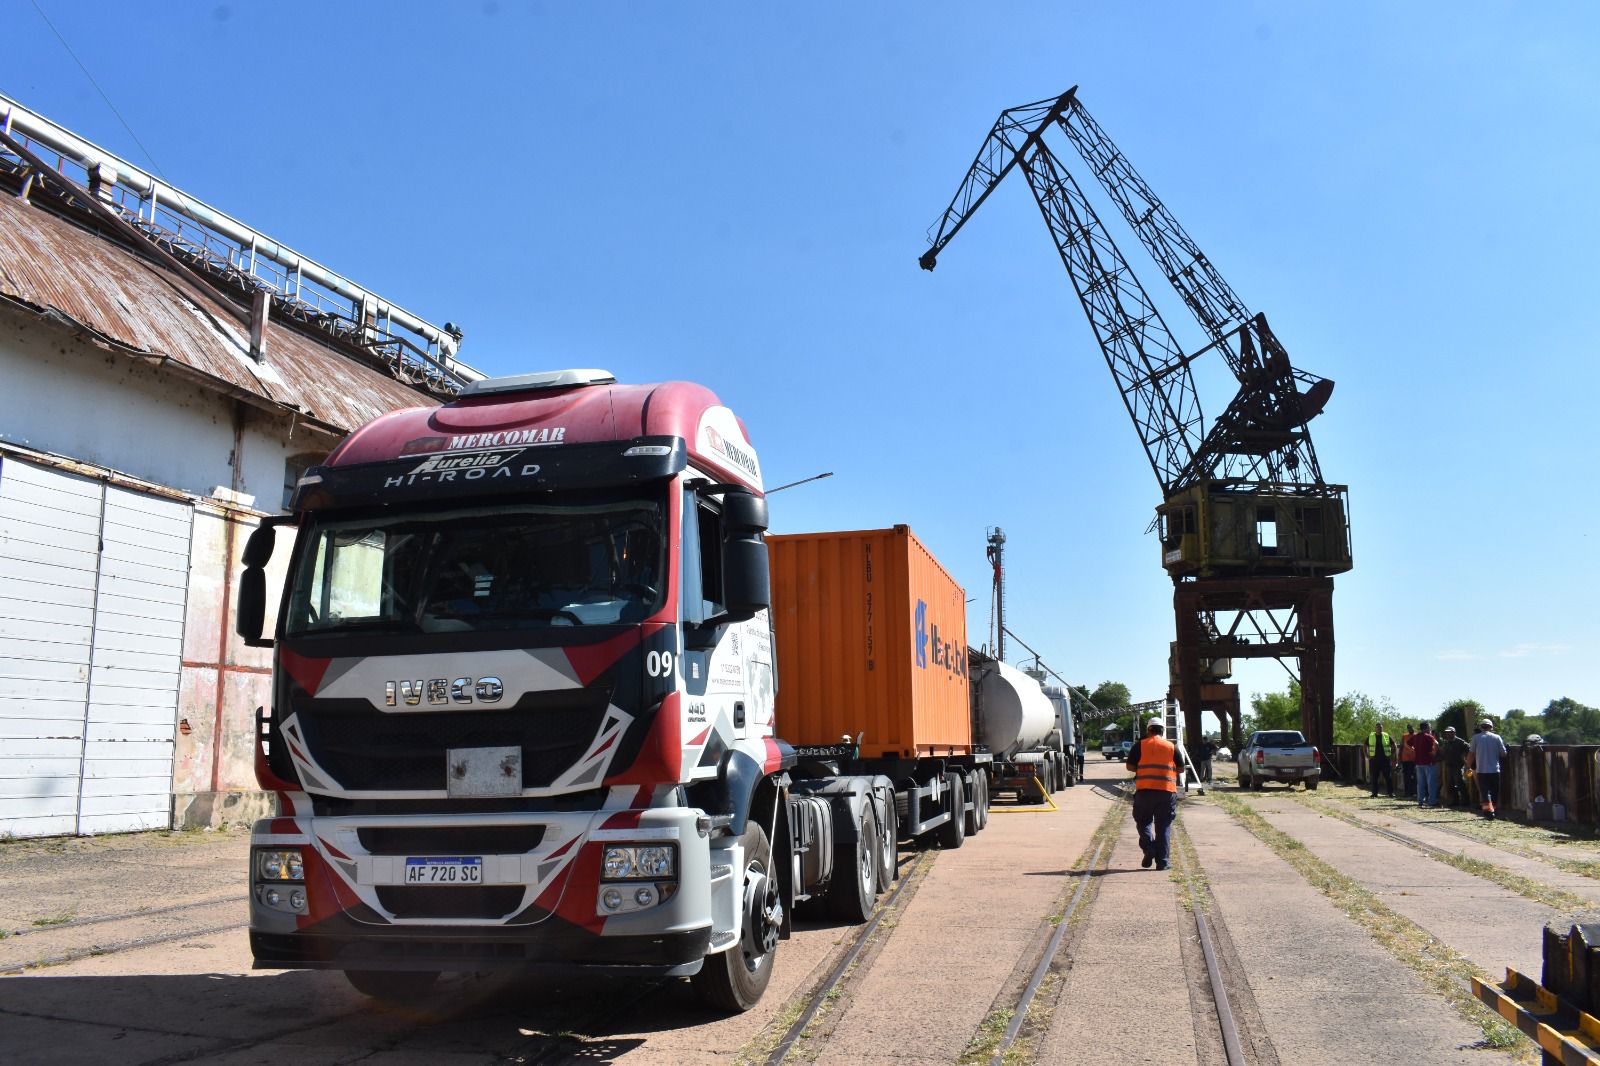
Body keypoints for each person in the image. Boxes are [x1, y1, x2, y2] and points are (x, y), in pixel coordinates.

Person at [1126, 721, 1187, 871]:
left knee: (1143, 822)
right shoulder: (1171, 747)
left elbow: (1130, 766)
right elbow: (1181, 768)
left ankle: (1149, 848)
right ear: (1163, 731)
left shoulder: (1140, 745)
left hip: (1144, 792)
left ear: (1149, 730)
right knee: (1164, 826)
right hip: (1166, 793)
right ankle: (1163, 862)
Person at [1469, 719, 1509, 819]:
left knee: (1484, 792)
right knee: (1494, 791)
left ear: (1481, 727)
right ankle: (1494, 810)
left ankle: (1488, 812)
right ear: (1491, 727)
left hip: (1481, 770)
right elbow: (1503, 754)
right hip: (1494, 770)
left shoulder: (1476, 738)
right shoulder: (1497, 737)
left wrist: (1468, 765)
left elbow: (1471, 754)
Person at [1439, 726, 1470, 807]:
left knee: (1459, 783)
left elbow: (1469, 749)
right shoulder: (1446, 743)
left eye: (1450, 732)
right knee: (1450, 784)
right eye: (1447, 732)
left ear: (1454, 733)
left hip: (1458, 766)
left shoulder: (1460, 742)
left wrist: (1464, 757)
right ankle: (1454, 800)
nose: (1448, 734)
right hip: (1449, 766)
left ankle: (1465, 801)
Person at [1412, 722, 1439, 807]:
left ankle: (1420, 801)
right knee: (1431, 783)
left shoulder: (1416, 736)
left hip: (1418, 762)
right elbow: (1436, 744)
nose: (1430, 729)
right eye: (1429, 727)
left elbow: (1408, 744)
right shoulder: (1429, 736)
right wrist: (1434, 754)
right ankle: (1432, 801)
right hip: (1428, 762)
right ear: (1427, 728)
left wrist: (1414, 750)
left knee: (1420, 783)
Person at [1367, 721, 1396, 797]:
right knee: (1374, 777)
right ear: (1375, 728)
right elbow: (1364, 745)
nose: (1379, 729)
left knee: (1388, 777)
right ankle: (1374, 793)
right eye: (1378, 727)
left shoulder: (1386, 735)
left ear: (1382, 728)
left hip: (1385, 760)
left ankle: (1390, 793)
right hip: (1374, 760)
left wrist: (1392, 754)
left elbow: (1394, 744)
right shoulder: (1371, 736)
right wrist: (1366, 755)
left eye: (1381, 728)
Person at [1399, 724, 1417, 798]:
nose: (1410, 729)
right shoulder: (1404, 736)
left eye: (1411, 727)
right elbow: (1401, 747)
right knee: (1406, 776)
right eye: (1408, 728)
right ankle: (1407, 792)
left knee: (1414, 776)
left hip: (1414, 759)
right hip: (1405, 759)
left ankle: (1414, 792)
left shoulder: (1417, 736)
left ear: (1414, 728)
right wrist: (1399, 758)